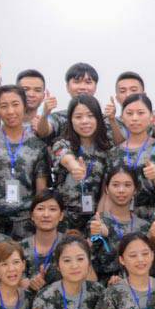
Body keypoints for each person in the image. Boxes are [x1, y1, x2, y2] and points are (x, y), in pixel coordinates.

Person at [0, 84, 50, 239]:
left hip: (26, 223)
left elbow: (41, 190)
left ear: (24, 107)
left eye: (15, 104)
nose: (10, 111)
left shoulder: (37, 145)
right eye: (4, 106)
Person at [50, 94, 114, 236]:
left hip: (95, 217)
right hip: (64, 218)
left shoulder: (106, 149)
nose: (85, 121)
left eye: (90, 116)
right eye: (78, 117)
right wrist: (75, 168)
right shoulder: (61, 143)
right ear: (70, 120)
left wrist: (98, 220)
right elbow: (66, 158)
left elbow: (106, 190)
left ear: (98, 118)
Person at [112, 93, 155, 223]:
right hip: (123, 218)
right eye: (129, 113)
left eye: (140, 113)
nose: (135, 118)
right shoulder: (114, 153)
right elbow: (107, 193)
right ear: (122, 117)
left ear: (151, 117)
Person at [88, 164, 149, 280]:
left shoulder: (144, 226)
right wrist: (99, 235)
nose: (121, 190)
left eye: (127, 185)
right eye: (115, 185)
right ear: (107, 189)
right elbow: (88, 261)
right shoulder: (97, 223)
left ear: (135, 190)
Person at [18, 191, 65, 289]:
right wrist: (22, 283)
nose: (46, 215)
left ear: (61, 216)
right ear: (32, 215)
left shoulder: (70, 245)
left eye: (52, 209)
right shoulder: (19, 248)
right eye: (40, 209)